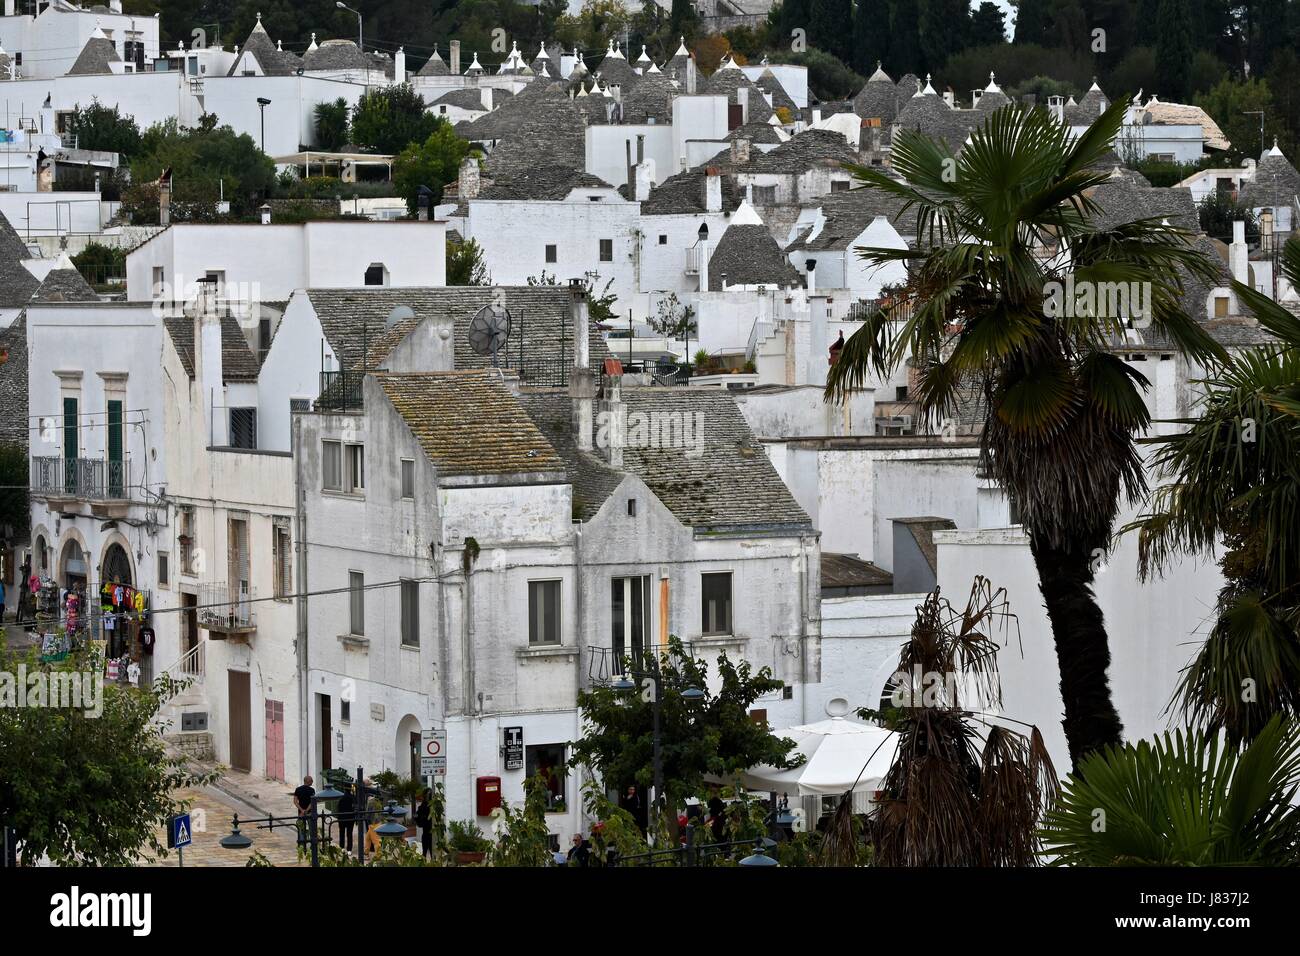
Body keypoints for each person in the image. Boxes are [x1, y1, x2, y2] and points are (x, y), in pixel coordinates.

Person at [293, 775, 315, 846]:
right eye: (311, 780)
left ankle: (302, 845)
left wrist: (302, 810)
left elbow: (295, 801)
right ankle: (313, 844)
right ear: (308, 781)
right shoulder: (312, 790)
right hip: (309, 812)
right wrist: (306, 810)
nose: (312, 781)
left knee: (301, 829)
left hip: (300, 813)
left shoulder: (298, 789)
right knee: (312, 829)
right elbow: (312, 802)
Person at [335, 782, 356, 852]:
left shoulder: (341, 797)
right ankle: (349, 849)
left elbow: (338, 808)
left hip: (342, 818)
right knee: (349, 834)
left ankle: (342, 848)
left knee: (342, 833)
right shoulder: (353, 797)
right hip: (350, 818)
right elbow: (354, 808)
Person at [415, 788, 433, 859]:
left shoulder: (432, 806)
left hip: (432, 833)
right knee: (425, 853)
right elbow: (418, 821)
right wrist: (416, 818)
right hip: (426, 832)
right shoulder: (422, 807)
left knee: (431, 853)